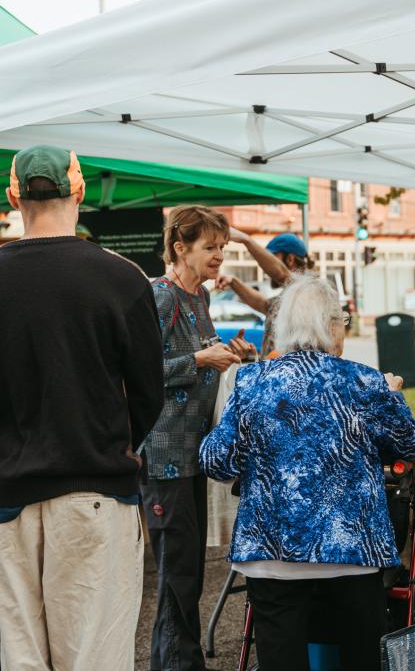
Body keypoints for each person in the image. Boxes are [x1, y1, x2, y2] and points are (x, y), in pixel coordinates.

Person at [0, 145, 164, 671]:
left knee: (23, 655)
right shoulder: (121, 278)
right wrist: (113, 440)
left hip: (11, 495)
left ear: (12, 196)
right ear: (80, 191)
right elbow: (148, 393)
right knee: (93, 656)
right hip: (94, 488)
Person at [200, 275, 415, 671]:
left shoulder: (252, 382)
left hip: (272, 552)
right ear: (332, 326)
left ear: (283, 327)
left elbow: (217, 462)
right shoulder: (364, 381)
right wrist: (391, 396)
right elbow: (410, 445)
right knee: (361, 660)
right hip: (351, 551)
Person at [139, 205, 253, 671]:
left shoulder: (199, 298)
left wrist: (231, 353)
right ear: (179, 247)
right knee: (178, 574)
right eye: (210, 248)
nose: (219, 257)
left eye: (222, 248)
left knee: (186, 574)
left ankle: (177, 661)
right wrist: (200, 362)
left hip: (192, 456)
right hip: (164, 457)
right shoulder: (160, 296)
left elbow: (197, 356)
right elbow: (136, 374)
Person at [215, 231, 309, 357]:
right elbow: (265, 305)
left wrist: (246, 240)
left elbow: (282, 274)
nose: (265, 269)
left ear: (290, 259)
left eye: (271, 258)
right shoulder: (288, 296)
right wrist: (233, 282)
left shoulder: (307, 292)